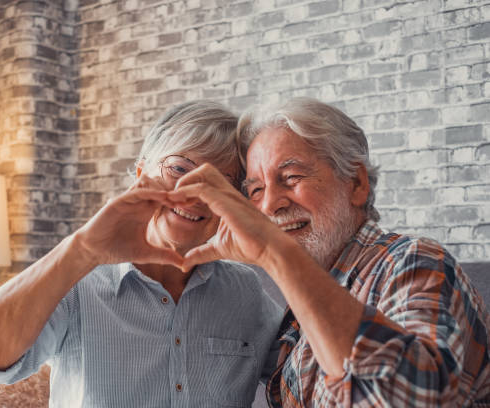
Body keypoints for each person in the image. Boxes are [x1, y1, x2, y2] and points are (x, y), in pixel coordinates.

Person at [0, 100, 283, 407]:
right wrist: (81, 249)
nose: (194, 195)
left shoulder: (247, 290)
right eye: (179, 169)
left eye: (220, 184)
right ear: (141, 174)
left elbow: (312, 377)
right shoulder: (78, 279)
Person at [168, 97, 490, 406]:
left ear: (356, 184)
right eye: (256, 190)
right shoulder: (301, 303)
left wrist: (278, 257)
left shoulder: (414, 263)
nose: (269, 204)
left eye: (291, 177)